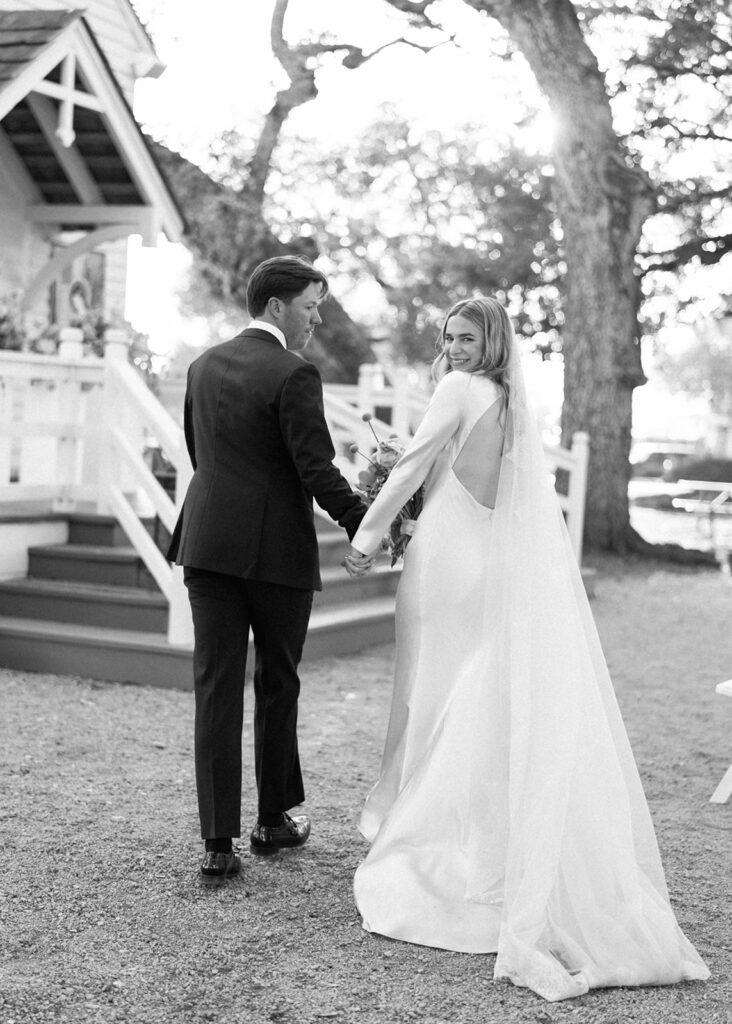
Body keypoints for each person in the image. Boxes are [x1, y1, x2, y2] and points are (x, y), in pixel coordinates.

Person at [343, 297, 709, 1001]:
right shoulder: (510, 402)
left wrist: (367, 535)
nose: (453, 348)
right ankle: (477, 837)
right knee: (465, 690)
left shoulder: (459, 389)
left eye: (466, 337)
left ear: (491, 341)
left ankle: (419, 831)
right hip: (484, 557)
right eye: (448, 337)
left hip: (443, 555)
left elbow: (413, 465)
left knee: (424, 691)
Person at [167, 255, 369, 879]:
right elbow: (316, 469)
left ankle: (217, 845)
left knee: (215, 687)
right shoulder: (294, 373)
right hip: (275, 552)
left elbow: (200, 453)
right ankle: (272, 821)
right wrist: (366, 522)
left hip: (206, 544)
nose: (316, 320)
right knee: (277, 681)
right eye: (311, 306)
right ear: (278, 307)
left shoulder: (202, 365)